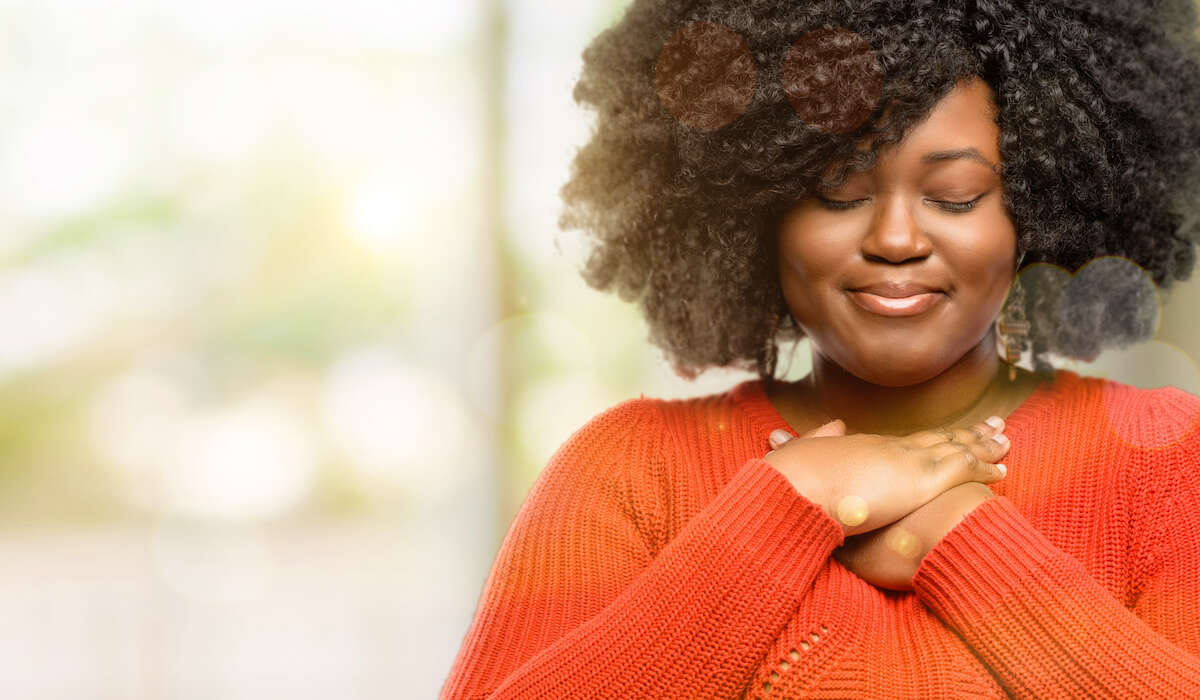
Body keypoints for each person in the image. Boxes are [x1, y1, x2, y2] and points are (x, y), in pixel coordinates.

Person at [441, 1, 1200, 697]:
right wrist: (791, 504)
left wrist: (960, 538)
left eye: (956, 196)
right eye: (838, 192)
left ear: (1038, 206)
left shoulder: (1163, 463)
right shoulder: (629, 473)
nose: (896, 239)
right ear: (755, 209)